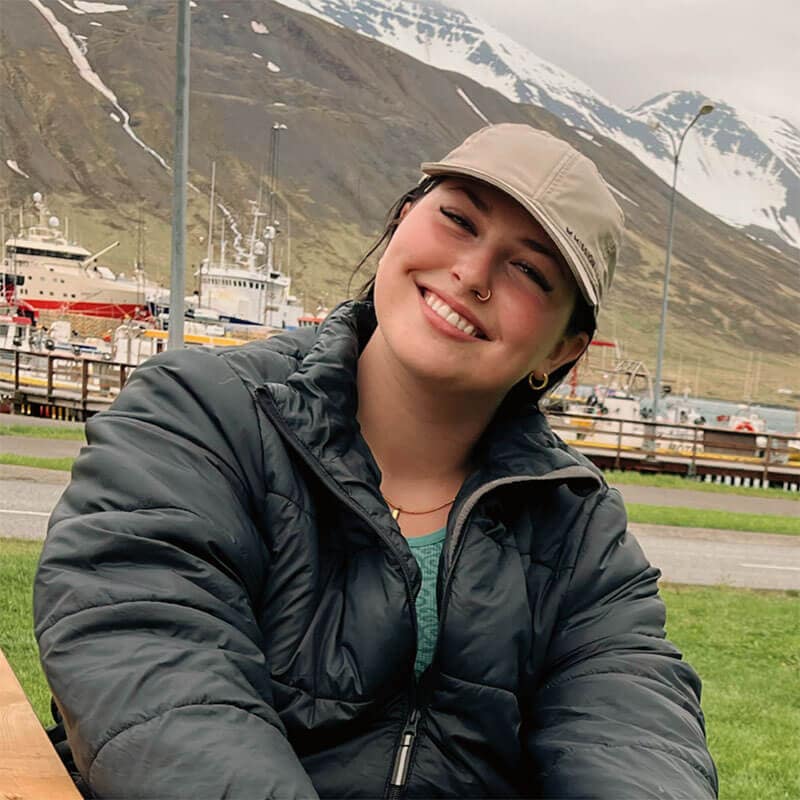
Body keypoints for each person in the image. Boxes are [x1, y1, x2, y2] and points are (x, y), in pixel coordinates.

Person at [34, 124, 718, 799]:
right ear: (400, 222)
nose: (473, 273)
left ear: (561, 352)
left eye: (530, 271)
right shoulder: (200, 416)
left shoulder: (577, 527)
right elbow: (151, 672)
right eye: (457, 219)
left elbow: (634, 730)